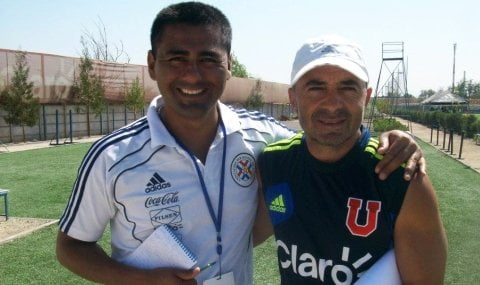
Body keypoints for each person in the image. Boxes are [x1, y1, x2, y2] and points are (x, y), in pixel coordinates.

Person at [56, 3, 425, 285]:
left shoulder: (263, 137)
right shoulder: (112, 157)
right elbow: (70, 246)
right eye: (176, 58)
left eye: (208, 59)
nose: (192, 74)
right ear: (153, 64)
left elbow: (326, 139)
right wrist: (142, 280)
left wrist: (397, 141)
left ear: (229, 65)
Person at [255, 35, 447, 284]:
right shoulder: (273, 163)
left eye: (347, 87)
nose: (333, 104)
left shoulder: (402, 176)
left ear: (366, 97)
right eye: (316, 88)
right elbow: (245, 235)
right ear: (293, 98)